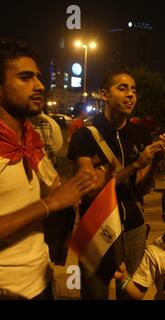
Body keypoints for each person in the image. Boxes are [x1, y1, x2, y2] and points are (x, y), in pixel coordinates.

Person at [0, 38, 96, 299]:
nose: (40, 85)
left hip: (42, 279)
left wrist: (79, 187)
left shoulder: (31, 140)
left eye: (39, 77)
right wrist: (49, 205)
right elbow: (49, 203)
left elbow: (51, 194)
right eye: (25, 77)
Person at [67, 69, 165, 299]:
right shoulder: (86, 135)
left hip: (133, 227)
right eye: (122, 88)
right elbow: (89, 189)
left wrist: (154, 161)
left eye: (134, 90)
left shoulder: (139, 132)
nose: (131, 94)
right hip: (97, 228)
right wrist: (136, 165)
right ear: (104, 94)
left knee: (130, 293)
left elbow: (141, 190)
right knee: (95, 292)